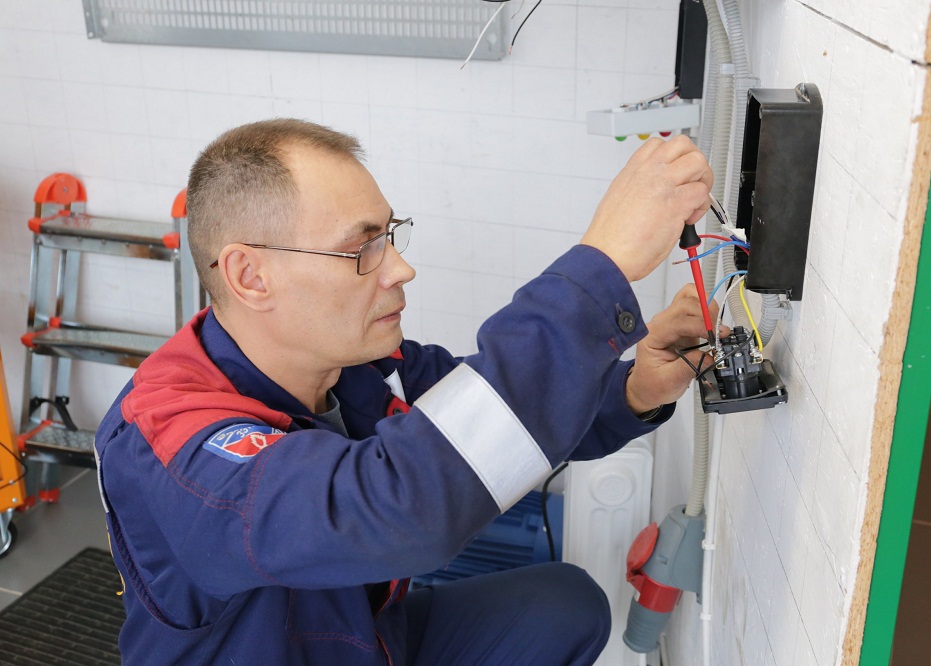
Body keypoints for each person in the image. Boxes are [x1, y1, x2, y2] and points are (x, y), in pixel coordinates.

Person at [94, 118, 714, 665]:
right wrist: (600, 267)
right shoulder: (173, 439)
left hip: (360, 641)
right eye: (362, 247)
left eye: (390, 235)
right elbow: (395, 513)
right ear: (251, 276)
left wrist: (634, 389)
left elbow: (494, 421)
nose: (400, 268)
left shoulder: (355, 366)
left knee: (564, 607)